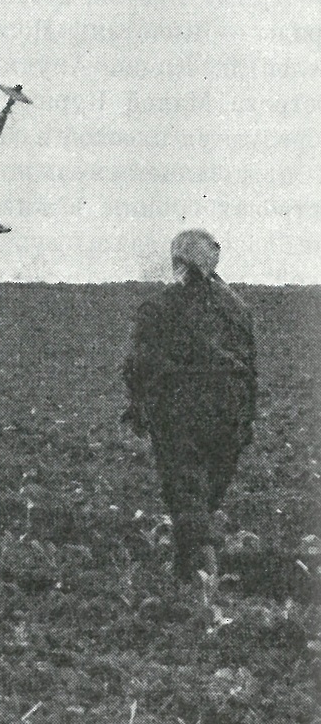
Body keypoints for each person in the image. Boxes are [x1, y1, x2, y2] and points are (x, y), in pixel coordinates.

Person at [122, 229, 256, 585]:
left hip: (181, 413)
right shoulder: (238, 308)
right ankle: (186, 565)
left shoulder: (160, 306)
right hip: (231, 414)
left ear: (178, 261)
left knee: (185, 494)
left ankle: (201, 569)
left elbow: (137, 364)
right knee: (206, 495)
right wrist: (247, 420)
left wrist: (138, 406)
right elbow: (249, 367)